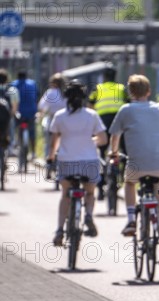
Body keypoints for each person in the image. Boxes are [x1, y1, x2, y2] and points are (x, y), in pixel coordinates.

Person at [109, 74, 159, 266]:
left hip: (136, 165)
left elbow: (115, 135)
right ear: (148, 91)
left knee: (129, 183)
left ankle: (131, 219)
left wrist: (114, 153)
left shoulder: (125, 110)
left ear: (130, 92)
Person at [47, 80, 107, 246]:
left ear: (66, 98)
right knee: (89, 192)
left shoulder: (59, 116)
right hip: (89, 162)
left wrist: (50, 158)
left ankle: (60, 230)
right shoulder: (92, 115)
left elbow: (53, 143)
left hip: (66, 162)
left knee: (66, 194)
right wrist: (91, 142)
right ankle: (88, 215)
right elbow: (103, 139)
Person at [88, 64, 128, 200]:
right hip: (119, 121)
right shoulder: (121, 88)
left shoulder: (97, 89)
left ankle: (100, 187)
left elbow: (90, 106)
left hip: (102, 122)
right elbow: (128, 103)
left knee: (100, 151)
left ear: (104, 77)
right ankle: (122, 175)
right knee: (124, 151)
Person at [38, 73, 67, 159]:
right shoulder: (66, 93)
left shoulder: (50, 93)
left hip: (52, 120)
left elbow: (41, 106)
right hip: (65, 122)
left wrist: (42, 113)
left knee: (49, 142)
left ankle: (49, 161)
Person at [11, 70, 37, 166]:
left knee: (16, 128)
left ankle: (15, 142)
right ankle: (33, 152)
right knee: (32, 132)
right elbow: (36, 96)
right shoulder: (32, 83)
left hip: (19, 113)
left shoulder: (14, 84)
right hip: (31, 112)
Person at [0, 69, 19, 156]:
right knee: (10, 130)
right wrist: (11, 115)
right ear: (7, 79)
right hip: (7, 117)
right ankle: (11, 148)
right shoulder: (12, 90)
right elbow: (15, 106)